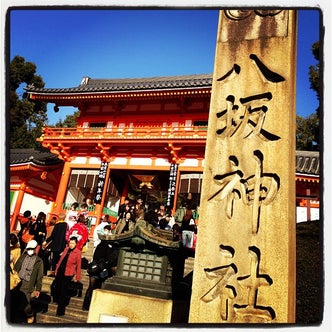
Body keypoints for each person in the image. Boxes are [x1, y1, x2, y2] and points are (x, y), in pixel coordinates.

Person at [82, 225, 118, 310]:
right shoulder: (109, 246)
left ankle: (86, 305)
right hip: (101, 268)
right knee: (95, 287)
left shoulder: (101, 245)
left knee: (91, 287)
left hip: (96, 268)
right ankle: (90, 305)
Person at [13, 239, 44, 323]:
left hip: (28, 283)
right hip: (18, 281)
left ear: (35, 249)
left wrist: (38, 289)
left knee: (26, 303)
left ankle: (30, 315)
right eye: (28, 249)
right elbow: (16, 267)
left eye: (31, 249)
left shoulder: (39, 261)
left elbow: (39, 276)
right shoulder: (23, 256)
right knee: (16, 301)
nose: (29, 250)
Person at [54, 237, 82, 316]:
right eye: (70, 243)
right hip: (60, 271)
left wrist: (77, 276)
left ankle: (60, 311)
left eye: (73, 243)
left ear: (76, 244)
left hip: (68, 273)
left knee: (63, 291)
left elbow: (78, 265)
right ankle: (57, 301)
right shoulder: (66, 249)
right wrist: (56, 270)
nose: (71, 245)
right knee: (58, 288)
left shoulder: (78, 252)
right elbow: (60, 260)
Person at [42, 212, 68, 276]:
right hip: (62, 245)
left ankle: (53, 272)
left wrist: (46, 241)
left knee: (54, 259)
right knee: (60, 259)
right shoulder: (66, 225)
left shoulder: (57, 225)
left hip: (55, 244)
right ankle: (58, 271)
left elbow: (53, 235)